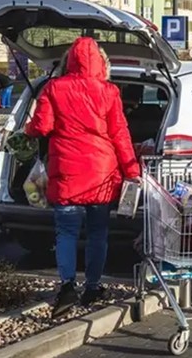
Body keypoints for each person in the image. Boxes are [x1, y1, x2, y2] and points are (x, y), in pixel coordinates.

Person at [24, 37, 140, 319]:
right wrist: (132, 170)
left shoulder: (54, 88)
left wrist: (27, 129)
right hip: (101, 175)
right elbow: (120, 135)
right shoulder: (109, 92)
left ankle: (66, 287)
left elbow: (42, 127)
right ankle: (93, 286)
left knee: (66, 233)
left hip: (66, 174)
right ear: (101, 63)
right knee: (98, 234)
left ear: (69, 61)